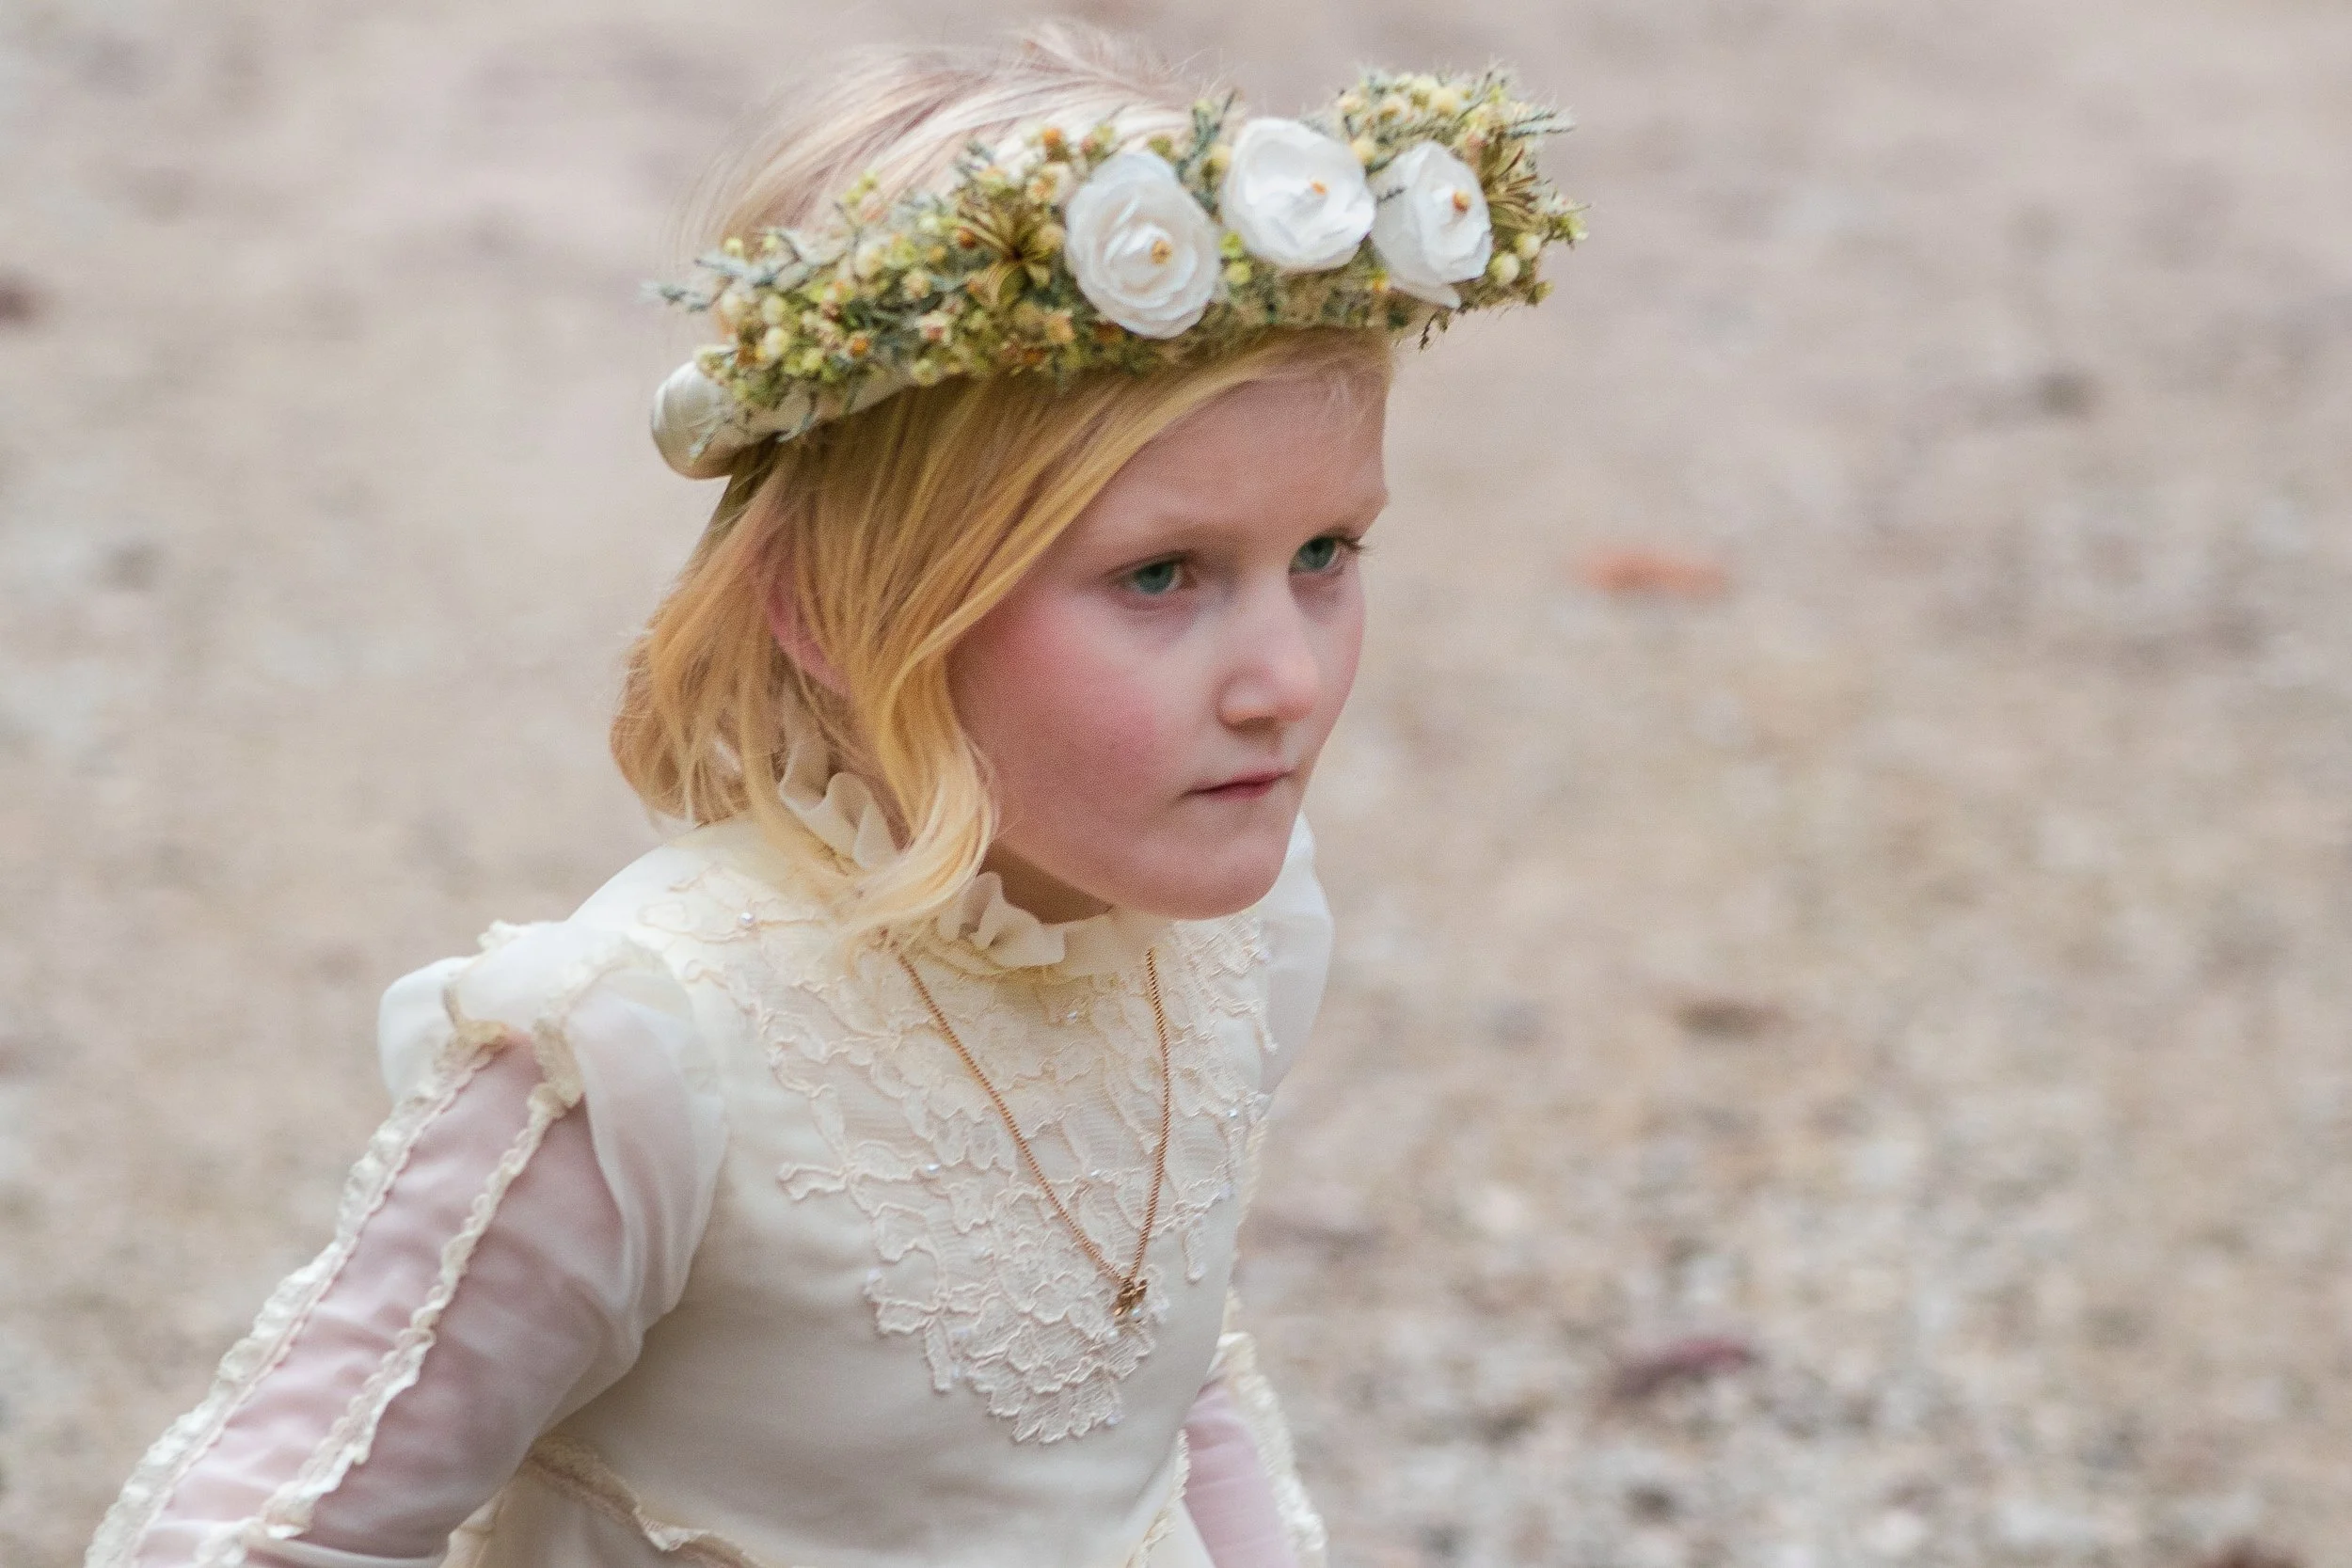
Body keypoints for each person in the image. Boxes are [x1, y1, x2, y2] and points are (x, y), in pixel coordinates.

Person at [86, 24, 1579, 1568]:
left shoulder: (1223, 943)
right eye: (1160, 575)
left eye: (1325, 553)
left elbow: (1161, 1384)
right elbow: (267, 1531)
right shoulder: (646, 1063)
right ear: (838, 603)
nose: (1287, 676)